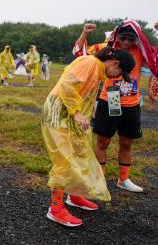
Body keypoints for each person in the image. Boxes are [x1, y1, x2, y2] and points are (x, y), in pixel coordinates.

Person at [73, 20, 158, 192]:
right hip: (109, 100)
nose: (126, 42)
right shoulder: (107, 48)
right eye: (123, 38)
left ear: (136, 38)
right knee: (103, 142)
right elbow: (80, 54)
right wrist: (85, 33)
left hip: (131, 104)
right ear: (118, 36)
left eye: (130, 39)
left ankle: (123, 179)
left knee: (126, 143)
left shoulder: (141, 51)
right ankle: (99, 179)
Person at [43, 47, 135, 227]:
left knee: (81, 154)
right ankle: (55, 209)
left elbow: (82, 91)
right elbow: (67, 84)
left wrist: (86, 111)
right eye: (119, 73)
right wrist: (76, 112)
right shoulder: (90, 63)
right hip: (59, 114)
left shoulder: (98, 70)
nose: (116, 77)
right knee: (65, 160)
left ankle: (75, 196)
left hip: (70, 115)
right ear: (115, 64)